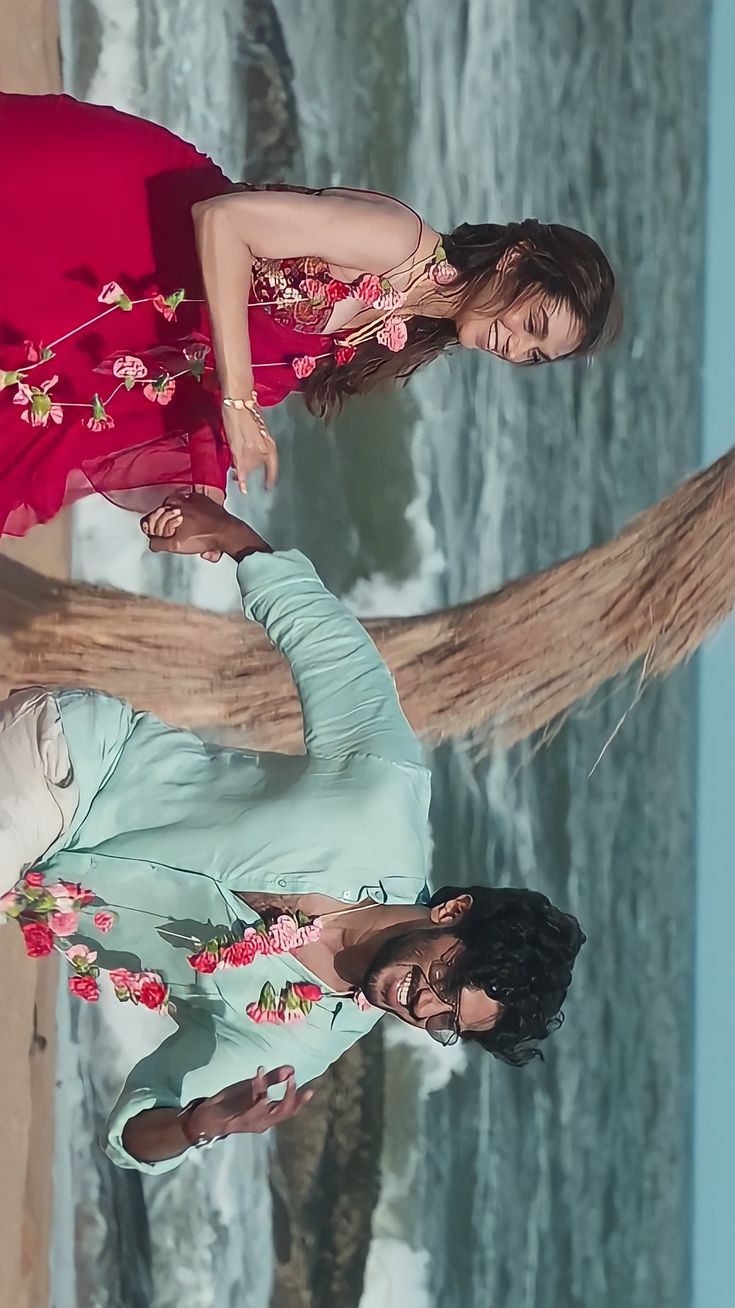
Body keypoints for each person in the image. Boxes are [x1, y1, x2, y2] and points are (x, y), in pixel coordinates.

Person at [0, 493, 584, 1173]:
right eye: (449, 974)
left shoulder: (300, 1039)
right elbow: (330, 650)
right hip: (74, 760)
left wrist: (195, 1126)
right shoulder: (383, 795)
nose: (426, 1003)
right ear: (454, 911)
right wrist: (235, 537)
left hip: (28, 882)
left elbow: (132, 1135)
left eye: (448, 1019)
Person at [0, 92, 619, 538]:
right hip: (109, 215)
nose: (513, 347)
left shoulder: (393, 333)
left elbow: (216, 367)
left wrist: (207, 503)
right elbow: (222, 220)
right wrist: (240, 406)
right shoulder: (397, 239)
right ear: (517, 261)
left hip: (120, 314)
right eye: (531, 324)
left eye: (534, 355)